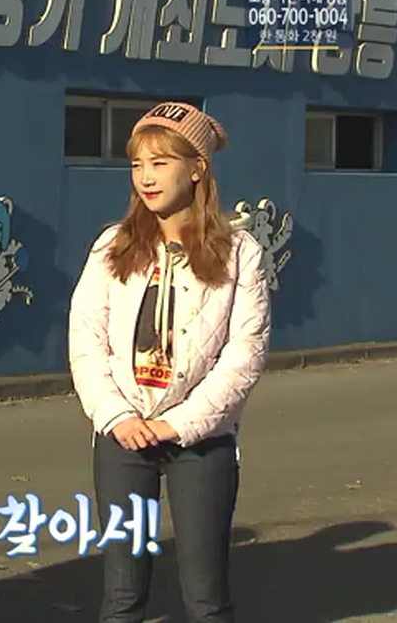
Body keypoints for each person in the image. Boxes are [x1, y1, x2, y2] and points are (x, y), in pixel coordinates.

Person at [67, 102, 271, 623]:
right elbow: (85, 338)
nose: (146, 177)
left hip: (202, 440)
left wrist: (179, 424)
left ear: (197, 168)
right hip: (123, 435)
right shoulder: (112, 246)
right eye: (137, 164)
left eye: (160, 163)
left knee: (205, 598)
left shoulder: (240, 252)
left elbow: (245, 354)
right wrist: (116, 416)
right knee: (122, 595)